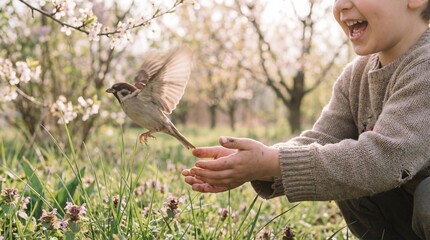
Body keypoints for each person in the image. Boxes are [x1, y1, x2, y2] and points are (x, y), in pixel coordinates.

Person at [182, 0, 430, 239]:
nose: (341, 5)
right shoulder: (356, 75)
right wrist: (259, 160)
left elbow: (384, 160)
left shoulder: (425, 67)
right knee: (344, 171)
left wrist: (271, 162)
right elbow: (322, 140)